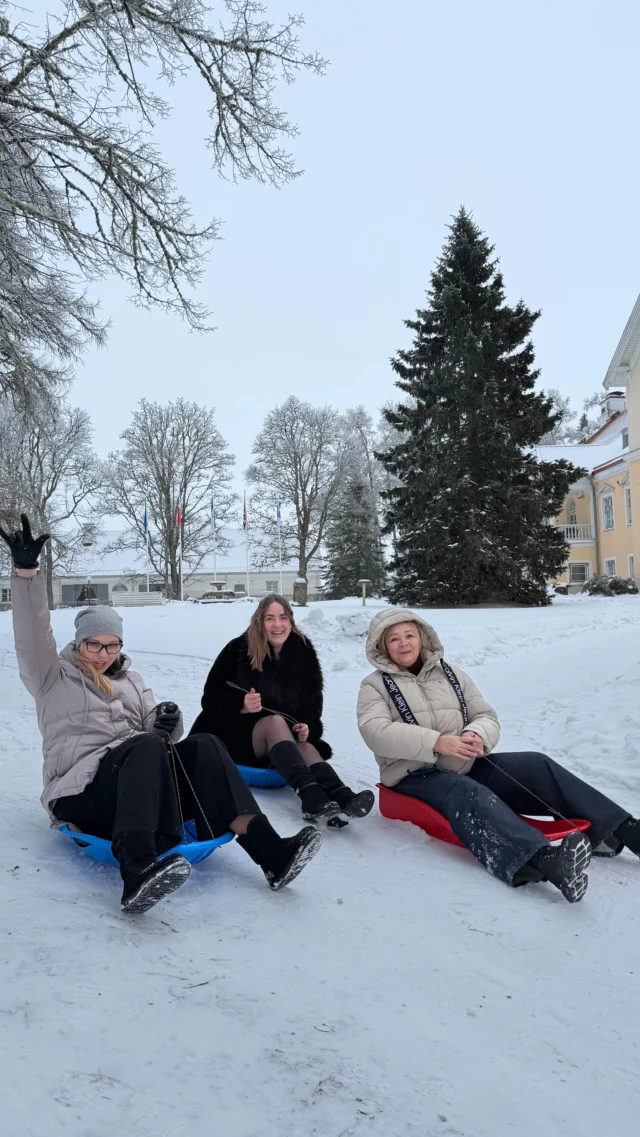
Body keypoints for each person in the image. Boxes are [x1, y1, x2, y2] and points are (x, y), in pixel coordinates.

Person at [1, 516, 322, 915]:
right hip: (84, 794)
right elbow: (31, 633)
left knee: (204, 745)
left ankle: (270, 851)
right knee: (145, 746)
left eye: (112, 645)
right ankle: (136, 870)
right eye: (94, 645)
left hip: (140, 789)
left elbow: (159, 737)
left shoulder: (132, 679)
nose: (104, 654)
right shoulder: (52, 676)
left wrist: (167, 721)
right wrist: (27, 575)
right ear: (78, 643)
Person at [357, 608, 640, 903]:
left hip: (463, 762)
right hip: (412, 776)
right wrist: (437, 742)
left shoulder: (450, 674)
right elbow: (374, 731)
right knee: (465, 791)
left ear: (422, 637)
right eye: (394, 639)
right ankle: (545, 861)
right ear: (381, 647)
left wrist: (477, 735)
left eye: (409, 635)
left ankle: (625, 830)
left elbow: (485, 715)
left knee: (535, 763)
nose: (404, 643)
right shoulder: (374, 686)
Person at [191, 594, 374, 824]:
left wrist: (307, 727)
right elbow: (210, 699)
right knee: (275, 721)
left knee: (305, 744)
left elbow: (312, 704)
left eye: (283, 617)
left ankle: (340, 793)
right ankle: (309, 793)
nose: (277, 625)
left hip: (282, 745)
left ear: (291, 621)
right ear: (259, 621)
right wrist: (241, 706)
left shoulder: (303, 651)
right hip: (236, 739)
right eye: (270, 618)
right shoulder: (237, 650)